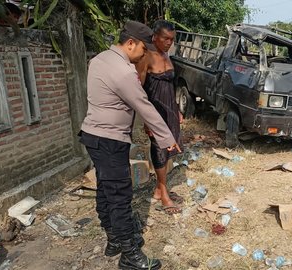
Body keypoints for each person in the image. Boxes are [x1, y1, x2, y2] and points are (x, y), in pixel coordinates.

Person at [79, 20, 180, 270]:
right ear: (131, 43)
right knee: (120, 196)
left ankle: (113, 240)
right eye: (143, 49)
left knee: (106, 188)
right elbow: (144, 105)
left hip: (94, 136)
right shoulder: (124, 71)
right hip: (109, 140)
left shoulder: (100, 59)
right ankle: (130, 256)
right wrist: (167, 139)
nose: (145, 54)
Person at [135, 20, 183, 215]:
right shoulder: (146, 57)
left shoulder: (167, 55)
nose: (169, 42)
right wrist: (146, 119)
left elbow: (169, 86)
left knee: (170, 148)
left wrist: (177, 109)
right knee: (159, 149)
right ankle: (164, 194)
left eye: (172, 39)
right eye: (165, 39)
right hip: (154, 111)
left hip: (170, 109)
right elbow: (138, 89)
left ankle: (158, 188)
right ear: (155, 37)